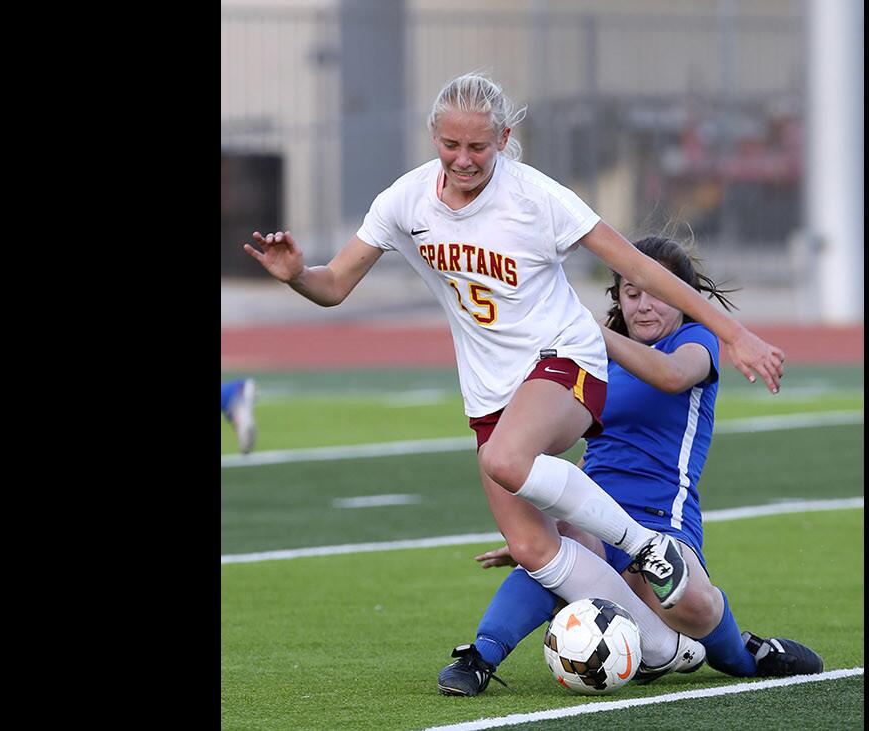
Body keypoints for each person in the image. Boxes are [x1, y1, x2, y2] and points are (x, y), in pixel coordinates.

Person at [243, 72, 787, 687]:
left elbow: (637, 266)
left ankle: (642, 543)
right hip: (490, 392)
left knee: (507, 457)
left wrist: (735, 333)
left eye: (479, 146)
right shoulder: (404, 201)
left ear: (504, 137)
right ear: (434, 138)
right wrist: (294, 273)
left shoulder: (536, 198)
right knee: (535, 550)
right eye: (451, 145)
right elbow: (334, 284)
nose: (464, 159)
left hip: (565, 360)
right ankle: (662, 647)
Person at [437, 237, 822, 696]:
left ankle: (742, 655)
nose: (643, 306)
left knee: (688, 603)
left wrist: (592, 332)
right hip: (594, 513)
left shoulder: (694, 340)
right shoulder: (595, 357)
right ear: (617, 297)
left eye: (656, 292)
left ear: (681, 294)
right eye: (631, 293)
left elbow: (672, 376)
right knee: (550, 556)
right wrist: (546, 529)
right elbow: (591, 455)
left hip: (663, 518)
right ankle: (480, 656)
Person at [221, 378, 257, 454]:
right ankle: (245, 448)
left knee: (244, 424)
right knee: (244, 423)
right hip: (246, 388)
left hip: (243, 390)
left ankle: (245, 448)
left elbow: (234, 418)